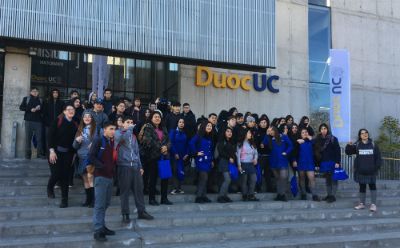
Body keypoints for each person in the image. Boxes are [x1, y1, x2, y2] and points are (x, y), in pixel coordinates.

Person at [115, 116, 154, 223]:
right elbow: (122, 139)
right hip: (124, 166)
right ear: (122, 124)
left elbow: (136, 152)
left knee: (139, 191)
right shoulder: (118, 133)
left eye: (132, 122)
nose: (130, 124)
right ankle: (125, 214)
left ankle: (141, 212)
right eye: (127, 122)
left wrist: (140, 166)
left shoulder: (133, 136)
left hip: (135, 166)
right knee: (125, 191)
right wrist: (129, 129)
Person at [89, 122, 117, 242]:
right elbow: (91, 156)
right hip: (100, 177)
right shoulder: (98, 140)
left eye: (114, 129)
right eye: (111, 129)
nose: (113, 131)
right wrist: (102, 166)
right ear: (104, 130)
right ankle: (98, 231)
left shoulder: (111, 142)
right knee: (100, 205)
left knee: (105, 204)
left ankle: (102, 226)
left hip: (109, 177)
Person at [47, 104, 78, 208]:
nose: (71, 111)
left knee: (65, 177)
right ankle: (50, 187)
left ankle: (64, 200)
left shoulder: (75, 124)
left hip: (68, 153)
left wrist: (74, 155)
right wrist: (51, 151)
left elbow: (75, 142)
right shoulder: (58, 121)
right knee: (56, 174)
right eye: (68, 109)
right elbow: (50, 136)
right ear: (64, 111)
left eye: (72, 109)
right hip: (55, 152)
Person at [139, 111, 173, 206]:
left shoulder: (164, 128)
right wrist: (161, 148)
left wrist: (166, 147)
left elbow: (169, 141)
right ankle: (152, 199)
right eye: (155, 117)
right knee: (152, 179)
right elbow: (148, 141)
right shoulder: (148, 127)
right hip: (152, 157)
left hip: (164, 156)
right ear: (151, 118)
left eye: (159, 117)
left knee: (165, 178)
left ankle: (164, 198)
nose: (157, 118)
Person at [346, 129, 382, 212]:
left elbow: (378, 158)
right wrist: (349, 145)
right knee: (362, 187)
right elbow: (348, 152)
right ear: (360, 136)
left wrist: (375, 168)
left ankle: (373, 205)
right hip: (361, 171)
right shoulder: (357, 144)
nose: (364, 134)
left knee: (372, 186)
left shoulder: (373, 144)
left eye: (366, 133)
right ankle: (361, 204)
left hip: (371, 171)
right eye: (362, 133)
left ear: (368, 134)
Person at [72, 111, 97, 208]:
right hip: (81, 157)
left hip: (90, 157)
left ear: (92, 119)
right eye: (85, 117)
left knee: (91, 178)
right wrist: (77, 141)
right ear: (82, 119)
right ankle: (88, 200)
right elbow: (74, 146)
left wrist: (94, 144)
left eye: (89, 117)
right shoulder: (80, 129)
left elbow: (98, 142)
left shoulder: (95, 129)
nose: (87, 118)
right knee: (85, 179)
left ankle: (94, 201)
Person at [264, 126, 293, 202]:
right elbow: (263, 144)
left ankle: (283, 194)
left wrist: (286, 152)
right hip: (273, 161)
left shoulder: (283, 136)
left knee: (283, 177)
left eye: (271, 130)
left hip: (282, 160)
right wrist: (267, 135)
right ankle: (279, 194)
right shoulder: (270, 138)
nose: (271, 132)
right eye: (269, 131)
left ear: (275, 130)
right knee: (277, 179)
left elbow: (290, 145)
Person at [314, 123, 341, 203]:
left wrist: (337, 162)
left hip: (333, 162)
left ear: (327, 129)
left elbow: (338, 151)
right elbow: (316, 152)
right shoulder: (318, 140)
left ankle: (333, 196)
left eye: (325, 128)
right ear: (320, 130)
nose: (323, 130)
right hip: (324, 162)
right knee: (328, 179)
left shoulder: (333, 138)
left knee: (334, 179)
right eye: (322, 129)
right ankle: (329, 195)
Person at [190, 121, 215, 203]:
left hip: (208, 161)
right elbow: (191, 143)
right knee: (203, 178)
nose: (209, 127)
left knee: (205, 179)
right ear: (203, 126)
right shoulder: (198, 136)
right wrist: (196, 153)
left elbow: (210, 150)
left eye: (210, 126)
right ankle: (198, 197)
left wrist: (211, 160)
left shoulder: (210, 137)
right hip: (200, 160)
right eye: (208, 126)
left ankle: (203, 196)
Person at [293, 128, 320, 201]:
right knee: (301, 179)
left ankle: (314, 195)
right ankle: (303, 194)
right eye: (303, 132)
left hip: (310, 163)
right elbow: (294, 152)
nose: (305, 133)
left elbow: (317, 146)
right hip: (301, 162)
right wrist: (294, 160)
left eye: (306, 132)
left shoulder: (311, 141)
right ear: (300, 134)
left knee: (312, 179)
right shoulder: (298, 142)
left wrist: (310, 139)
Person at [19, 87, 45, 159]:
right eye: (33, 91)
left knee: (39, 139)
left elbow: (44, 111)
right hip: (28, 121)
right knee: (28, 139)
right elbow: (21, 108)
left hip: (38, 122)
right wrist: (30, 109)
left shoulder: (41, 100)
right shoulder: (26, 99)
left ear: (38, 92)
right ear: (30, 92)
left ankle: (39, 154)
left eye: (36, 91)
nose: (35, 92)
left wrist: (40, 108)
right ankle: (28, 155)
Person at [237, 128, 259, 201]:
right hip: (243, 164)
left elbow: (256, 153)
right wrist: (239, 165)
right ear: (245, 134)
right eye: (249, 133)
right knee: (244, 180)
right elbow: (238, 155)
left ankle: (251, 194)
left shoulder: (252, 143)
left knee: (254, 179)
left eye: (250, 133)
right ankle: (244, 195)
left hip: (251, 164)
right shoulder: (240, 143)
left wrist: (255, 159)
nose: (250, 134)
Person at [169, 118, 189, 194]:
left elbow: (187, 144)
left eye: (183, 122)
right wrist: (175, 153)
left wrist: (187, 153)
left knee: (181, 171)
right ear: (177, 123)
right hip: (174, 156)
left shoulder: (185, 132)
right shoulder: (173, 132)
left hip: (182, 156)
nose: (181, 123)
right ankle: (174, 188)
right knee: (175, 171)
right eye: (180, 122)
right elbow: (171, 143)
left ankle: (179, 188)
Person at [216, 127, 236, 203]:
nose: (229, 133)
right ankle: (220, 196)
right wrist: (229, 158)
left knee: (227, 180)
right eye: (227, 131)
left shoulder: (231, 142)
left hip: (230, 163)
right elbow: (221, 152)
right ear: (224, 133)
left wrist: (233, 158)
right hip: (223, 162)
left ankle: (225, 196)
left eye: (230, 131)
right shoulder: (221, 142)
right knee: (227, 179)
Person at [256, 115, 275, 193]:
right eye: (262, 122)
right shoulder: (257, 132)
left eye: (265, 122)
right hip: (261, 156)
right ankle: (258, 187)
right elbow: (259, 145)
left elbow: (271, 145)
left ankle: (269, 188)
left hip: (269, 156)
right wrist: (265, 138)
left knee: (268, 173)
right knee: (259, 172)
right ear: (259, 124)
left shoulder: (271, 133)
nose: (263, 124)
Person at [43, 88, 64, 156]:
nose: (55, 94)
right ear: (51, 94)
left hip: (58, 125)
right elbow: (44, 114)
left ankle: (56, 153)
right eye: (54, 92)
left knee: (57, 139)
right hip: (49, 124)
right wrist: (47, 122)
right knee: (48, 139)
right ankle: (48, 153)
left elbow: (63, 114)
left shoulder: (61, 102)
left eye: (56, 92)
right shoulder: (47, 102)